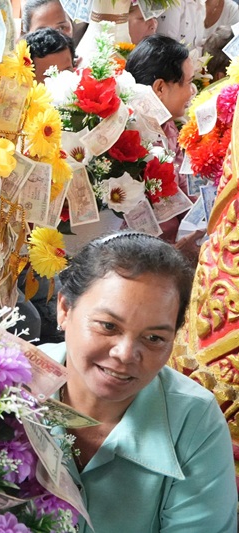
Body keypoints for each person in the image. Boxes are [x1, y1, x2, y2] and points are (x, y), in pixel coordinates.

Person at [42, 231, 236, 532]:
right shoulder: (1, 383)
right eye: (108, 326)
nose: (126, 354)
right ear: (65, 309)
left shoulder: (194, 421)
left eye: (154, 338)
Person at [126, 35, 200, 257]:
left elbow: (188, 193)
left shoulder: (167, 127)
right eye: (188, 83)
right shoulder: (126, 142)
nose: (193, 91)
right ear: (160, 88)